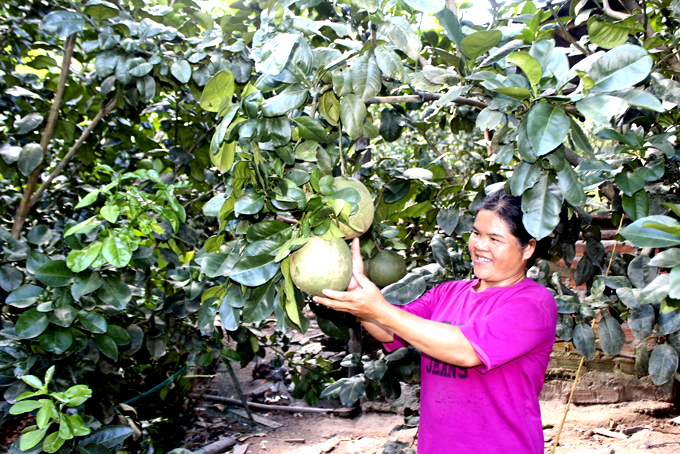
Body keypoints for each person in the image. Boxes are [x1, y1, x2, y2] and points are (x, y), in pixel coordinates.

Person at [313, 189, 558, 454]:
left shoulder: (534, 303)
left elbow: (466, 351)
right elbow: (388, 330)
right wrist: (356, 290)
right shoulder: (449, 292)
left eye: (495, 238)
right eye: (476, 233)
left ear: (528, 248)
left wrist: (380, 309)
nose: (479, 245)